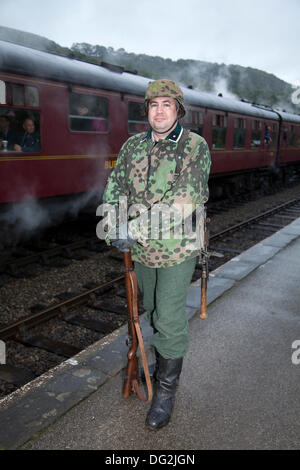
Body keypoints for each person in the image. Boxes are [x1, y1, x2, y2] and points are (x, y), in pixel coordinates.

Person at [101, 79, 211, 430]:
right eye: (153, 105)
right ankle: (159, 366)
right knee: (149, 312)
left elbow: (183, 202)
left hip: (178, 250)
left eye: (167, 104)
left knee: (169, 319)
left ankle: (165, 394)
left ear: (178, 109)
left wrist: (131, 229)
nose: (159, 111)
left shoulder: (194, 146)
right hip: (142, 251)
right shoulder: (133, 145)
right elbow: (115, 185)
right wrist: (112, 224)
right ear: (146, 111)